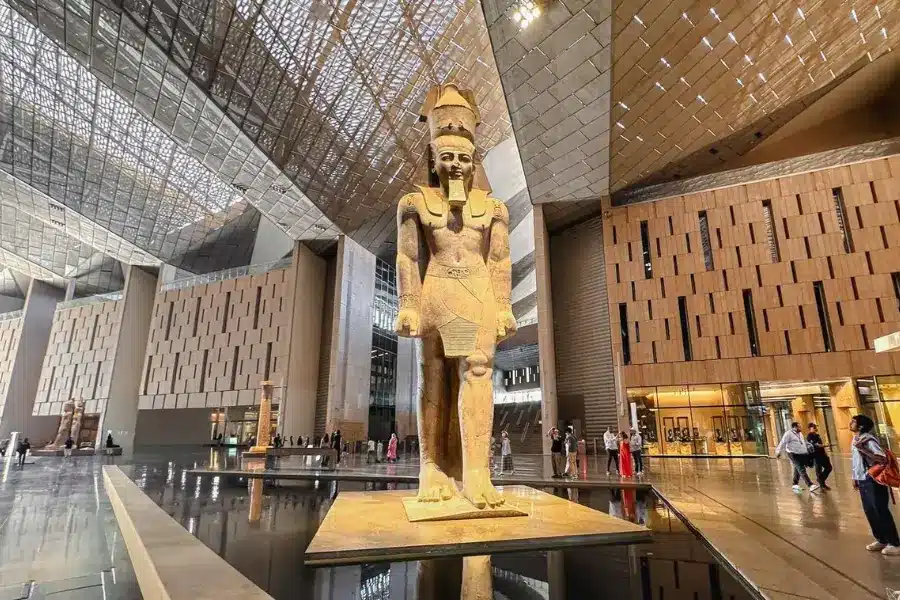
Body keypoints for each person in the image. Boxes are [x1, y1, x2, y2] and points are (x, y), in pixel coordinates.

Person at [850, 414, 900, 555]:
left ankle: (894, 543)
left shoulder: (868, 440)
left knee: (880, 510)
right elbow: (855, 461)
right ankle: (881, 539)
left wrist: (863, 449)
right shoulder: (855, 439)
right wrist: (855, 477)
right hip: (862, 480)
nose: (850, 423)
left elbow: (882, 458)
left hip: (873, 479)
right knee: (870, 511)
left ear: (860, 426)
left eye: (853, 422)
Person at [775, 422, 819, 493]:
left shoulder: (800, 433)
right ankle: (810, 485)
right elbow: (782, 443)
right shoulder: (788, 434)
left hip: (801, 453)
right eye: (799, 427)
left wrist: (807, 446)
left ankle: (794, 483)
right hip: (793, 454)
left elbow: (801, 442)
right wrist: (778, 452)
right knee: (801, 468)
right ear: (794, 427)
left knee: (797, 468)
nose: (801, 428)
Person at [807, 423, 833, 490]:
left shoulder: (817, 435)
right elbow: (815, 445)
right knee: (819, 470)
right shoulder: (809, 436)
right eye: (814, 427)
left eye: (815, 427)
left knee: (829, 468)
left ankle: (821, 480)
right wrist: (824, 445)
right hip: (816, 455)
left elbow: (820, 445)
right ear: (810, 428)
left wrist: (825, 452)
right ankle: (822, 484)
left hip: (822, 454)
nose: (815, 428)